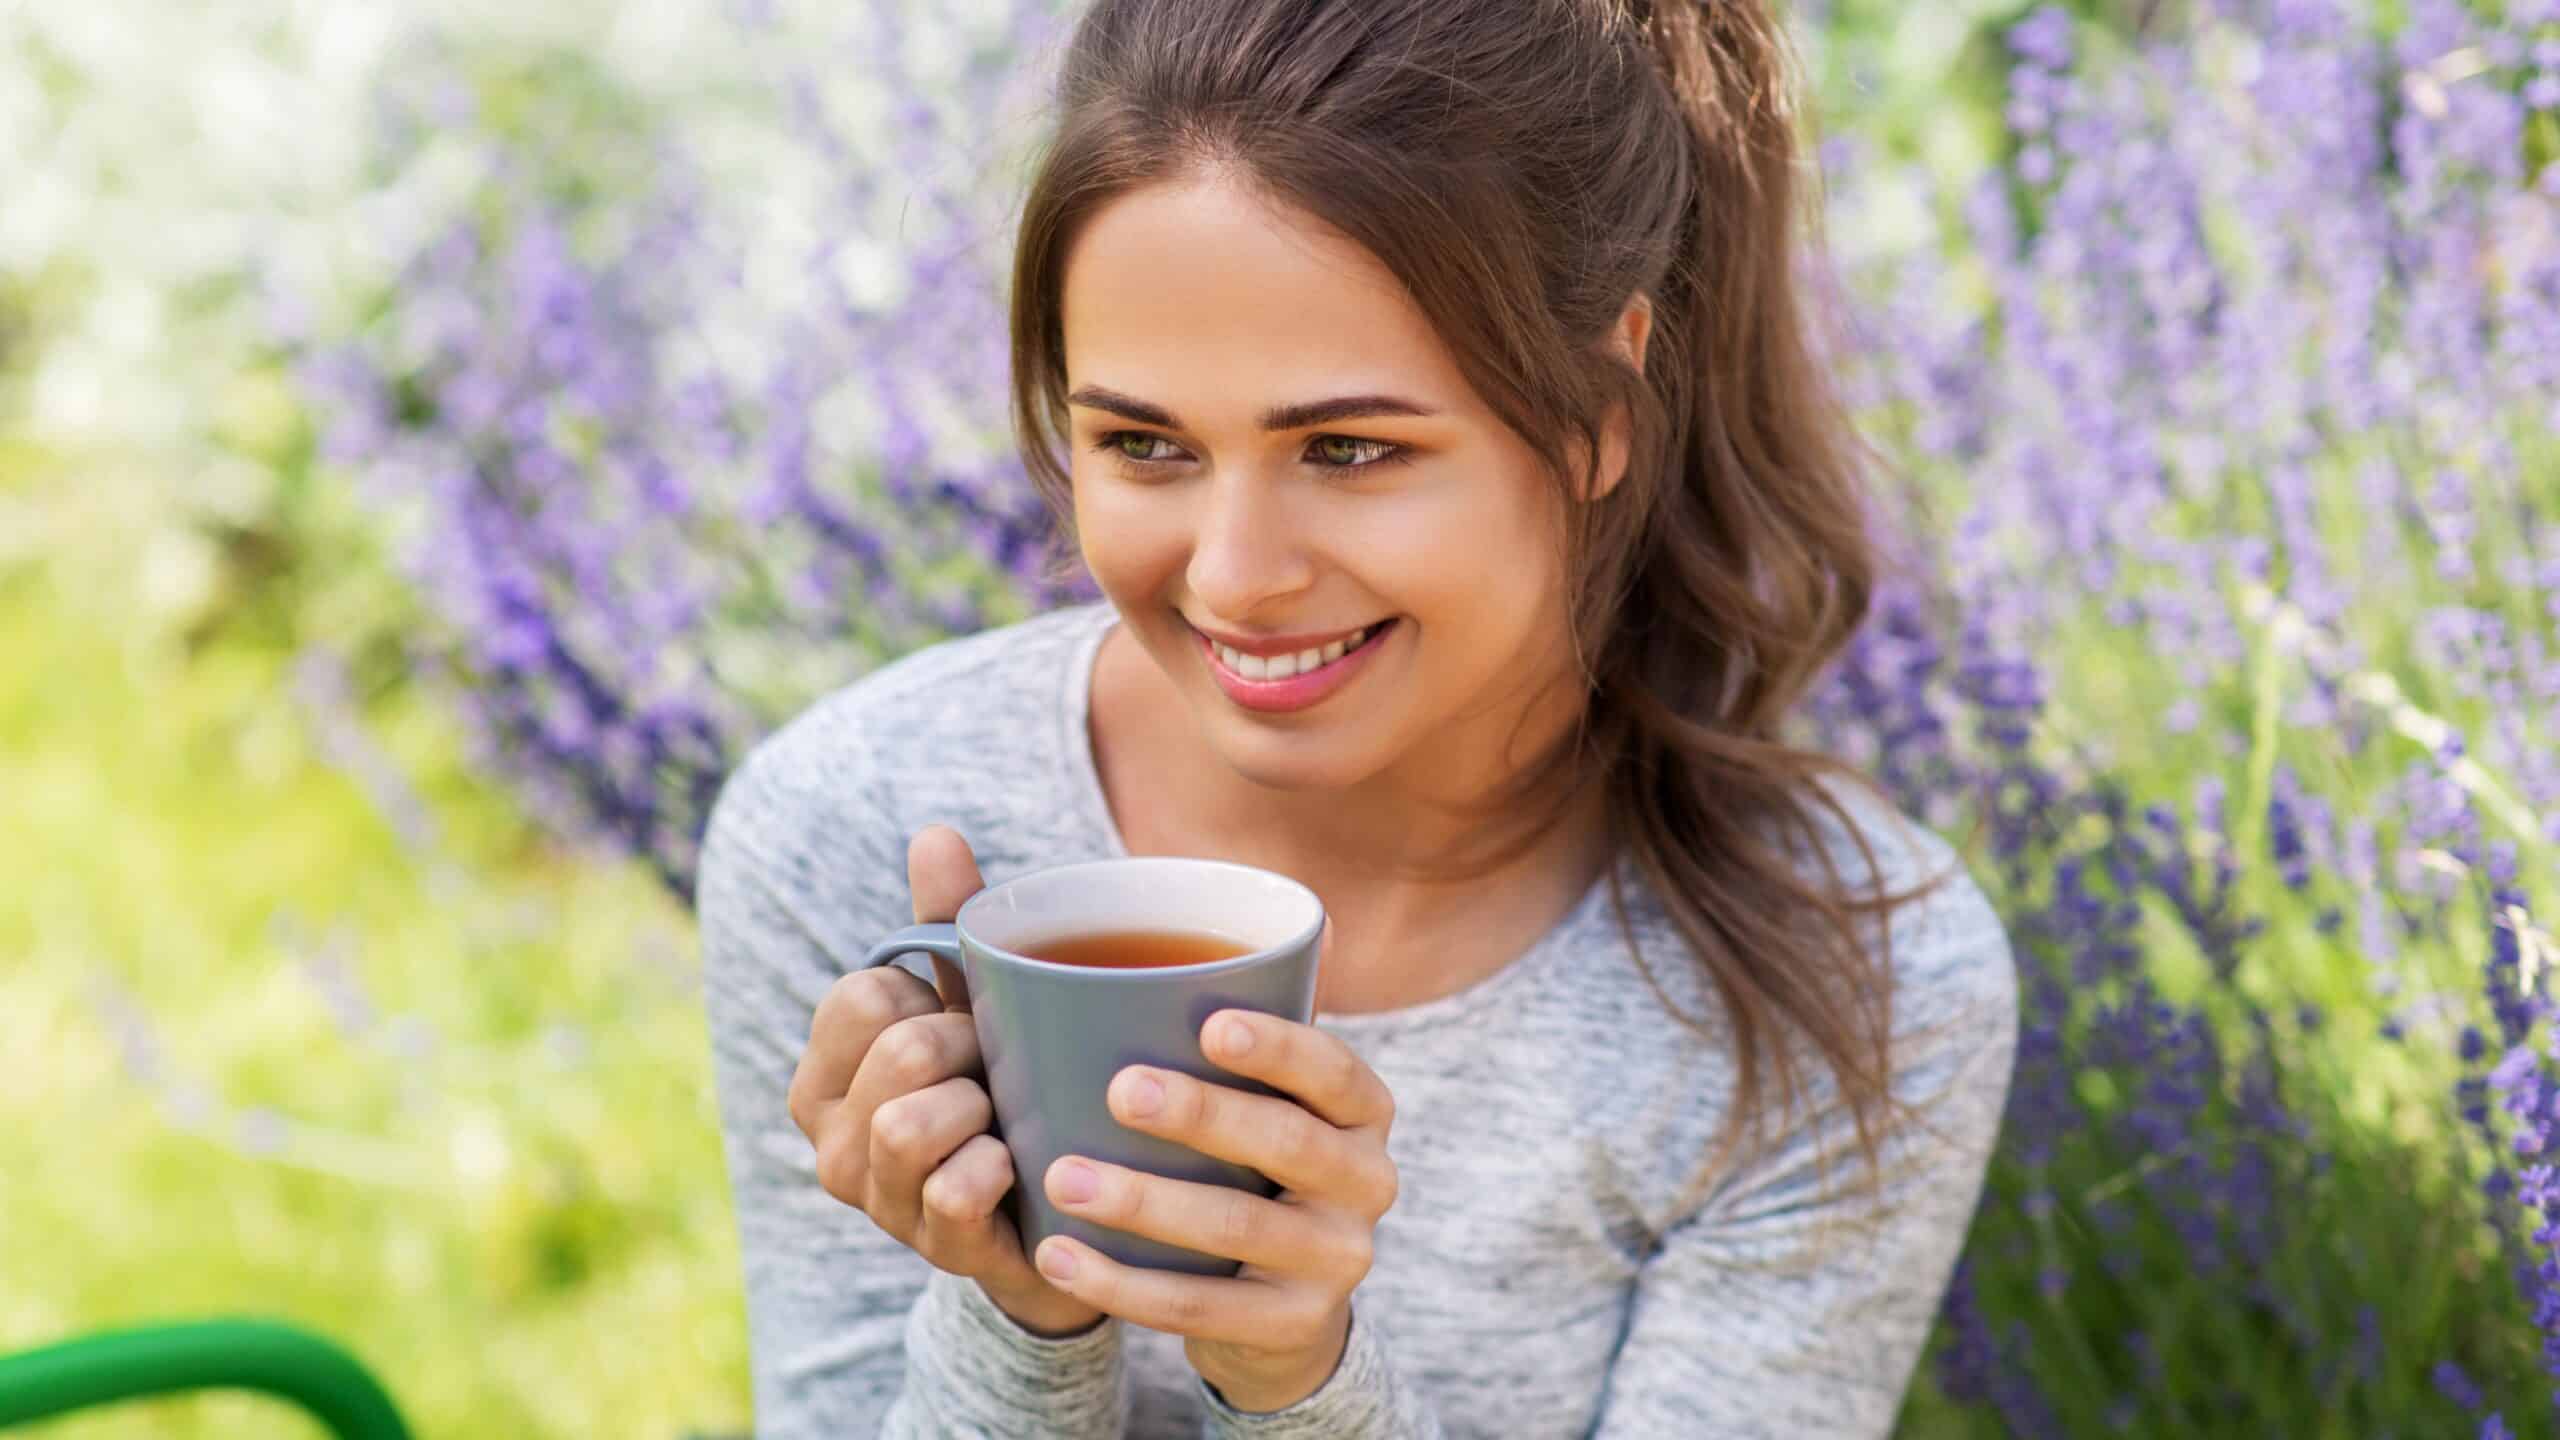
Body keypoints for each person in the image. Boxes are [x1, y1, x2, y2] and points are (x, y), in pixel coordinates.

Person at [695, 0, 2021, 1434]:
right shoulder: (854, 828)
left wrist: (1299, 1382)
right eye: (1143, 444)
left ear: (1598, 409)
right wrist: (1023, 1314)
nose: (1234, 578)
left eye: (1347, 448)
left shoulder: (1853, 986)